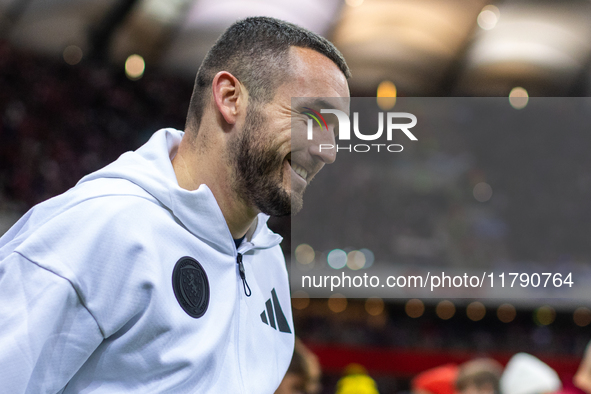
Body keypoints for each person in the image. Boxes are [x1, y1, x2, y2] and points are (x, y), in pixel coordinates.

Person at [0, 16, 350, 393]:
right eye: (312, 118)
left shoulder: (267, 262)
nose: (327, 151)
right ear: (231, 98)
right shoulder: (95, 230)